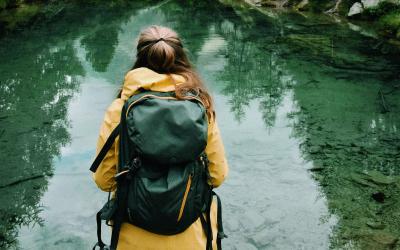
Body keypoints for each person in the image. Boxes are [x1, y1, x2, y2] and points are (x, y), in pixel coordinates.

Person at [92, 25, 229, 250]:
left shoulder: (120, 110)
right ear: (180, 57)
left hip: (133, 239)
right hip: (193, 238)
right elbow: (217, 176)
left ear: (140, 59)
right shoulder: (200, 105)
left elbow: (104, 180)